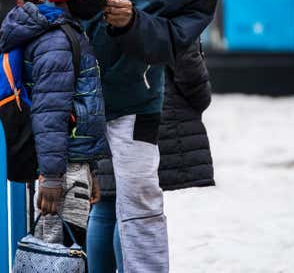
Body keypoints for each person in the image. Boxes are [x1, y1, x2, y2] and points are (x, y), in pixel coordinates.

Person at [5, 0, 237, 272]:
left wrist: (134, 24)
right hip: (69, 86)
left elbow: (175, 41)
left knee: (142, 198)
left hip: (138, 95)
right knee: (75, 199)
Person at [0, 0, 121, 248]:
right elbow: (50, 114)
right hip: (61, 169)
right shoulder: (56, 41)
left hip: (71, 164)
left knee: (66, 246)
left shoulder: (65, 30)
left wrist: (89, 169)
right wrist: (53, 178)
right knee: (59, 250)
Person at [90, 41, 214, 272]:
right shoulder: (160, 5)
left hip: (101, 101)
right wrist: (200, 97)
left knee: (106, 203)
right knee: (135, 204)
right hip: (148, 106)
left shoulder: (94, 7)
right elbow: (186, 60)